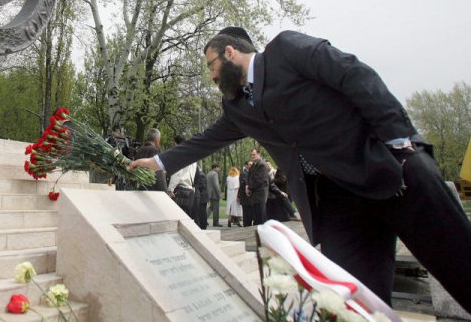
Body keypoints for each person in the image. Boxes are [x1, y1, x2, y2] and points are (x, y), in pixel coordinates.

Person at [129, 26, 471, 310]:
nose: (211, 76)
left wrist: (399, 143)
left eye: (210, 65)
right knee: (355, 308)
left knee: (461, 268)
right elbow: (206, 140)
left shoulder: (286, 50)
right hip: (339, 208)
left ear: (229, 53)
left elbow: (354, 74)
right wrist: (157, 161)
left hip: (390, 172)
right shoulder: (236, 108)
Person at [134, 128, 170, 195]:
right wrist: (165, 192)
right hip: (152, 191)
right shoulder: (155, 151)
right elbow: (159, 173)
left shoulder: (139, 151)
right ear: (157, 140)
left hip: (139, 189)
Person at [246, 149, 269, 225]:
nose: (252, 156)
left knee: (261, 216)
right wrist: (247, 186)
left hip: (260, 193)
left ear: (258, 154)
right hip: (255, 193)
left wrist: (249, 187)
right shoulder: (254, 164)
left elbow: (259, 179)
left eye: (254, 154)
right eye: (251, 155)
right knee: (257, 216)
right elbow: (249, 176)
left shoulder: (261, 164)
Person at [238, 161, 253, 226]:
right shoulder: (244, 173)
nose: (251, 166)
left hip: (249, 198)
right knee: (247, 214)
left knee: (249, 214)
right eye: (250, 165)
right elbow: (243, 184)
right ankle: (246, 226)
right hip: (246, 197)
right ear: (246, 165)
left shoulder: (250, 173)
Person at [193, 163, 208, 229]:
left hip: (202, 197)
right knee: (200, 213)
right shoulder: (200, 174)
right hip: (201, 196)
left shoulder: (201, 175)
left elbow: (202, 186)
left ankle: (203, 226)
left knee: (202, 213)